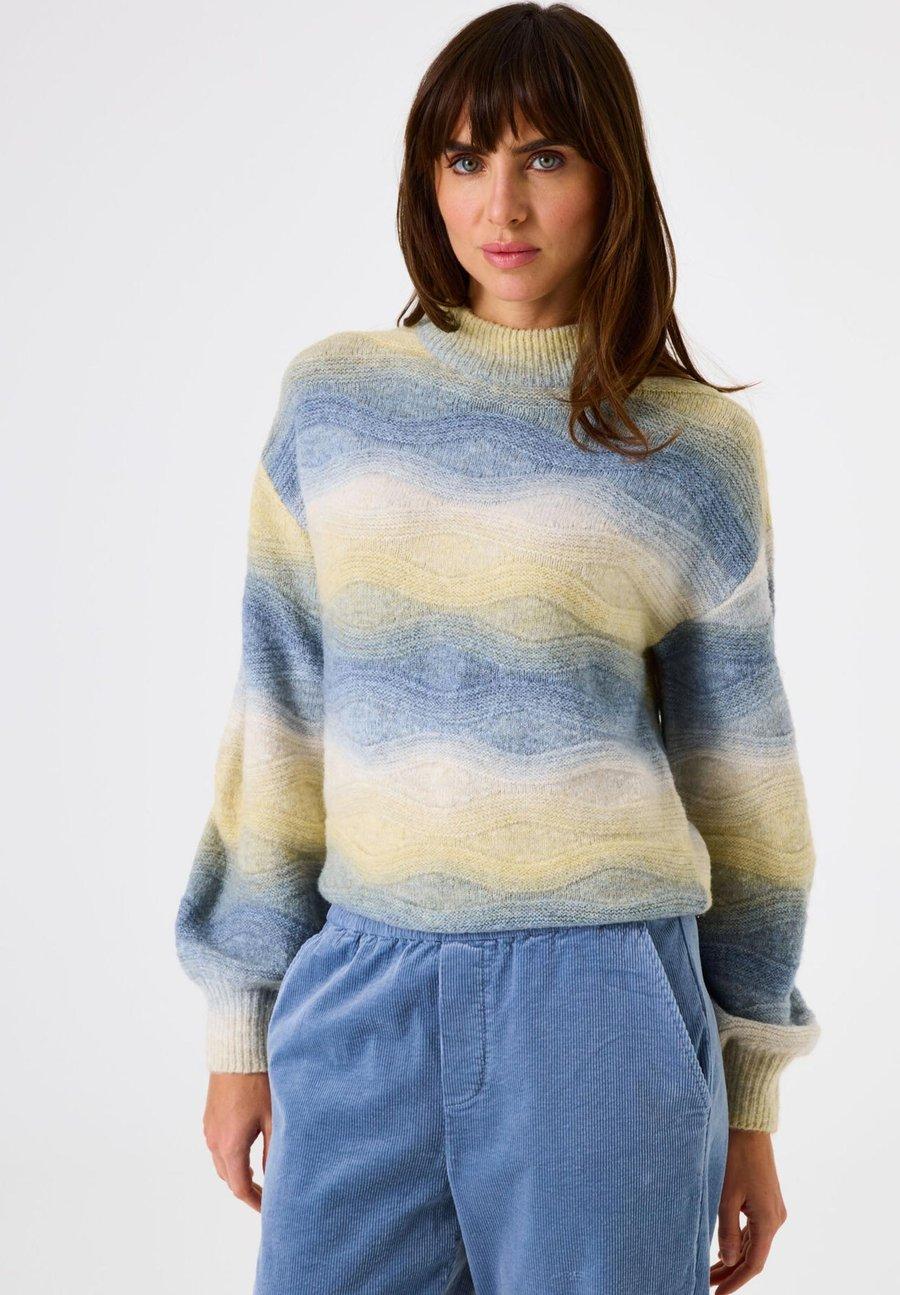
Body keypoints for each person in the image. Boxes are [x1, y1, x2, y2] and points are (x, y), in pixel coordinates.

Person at [173, 5, 822, 1292]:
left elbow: (745, 789)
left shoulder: (691, 448)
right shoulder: (336, 404)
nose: (502, 203)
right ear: (428, 181)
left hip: (605, 1003)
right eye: (466, 159)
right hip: (362, 983)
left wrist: (751, 1100)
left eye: (546, 157)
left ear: (612, 178)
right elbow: (279, 722)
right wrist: (239, 1023)